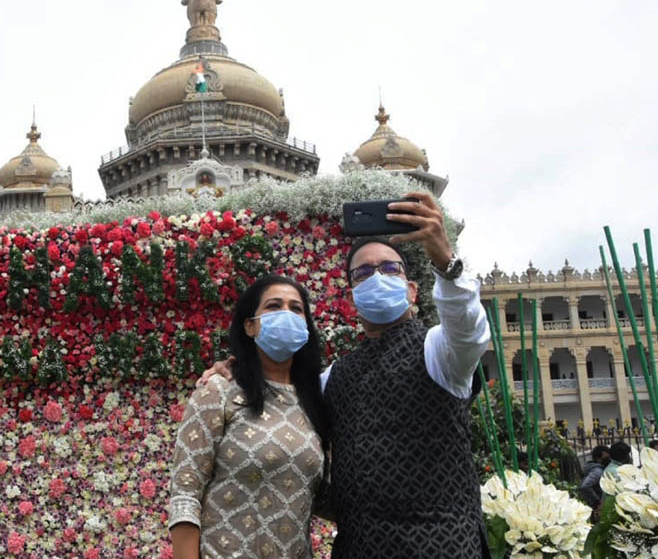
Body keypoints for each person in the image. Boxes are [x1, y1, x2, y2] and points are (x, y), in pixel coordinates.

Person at [200, 192, 491, 557]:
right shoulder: (333, 378)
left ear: (412, 290)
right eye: (364, 273)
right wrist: (237, 368)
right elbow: (279, 392)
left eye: (389, 269)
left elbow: (469, 332)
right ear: (353, 294)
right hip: (359, 548)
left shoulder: (440, 352)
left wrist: (446, 263)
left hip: (443, 546)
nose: (377, 277)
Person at [168, 275, 331, 558]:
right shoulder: (219, 391)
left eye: (296, 308)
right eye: (273, 306)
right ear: (250, 325)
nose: (286, 314)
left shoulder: (316, 401)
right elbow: (185, 492)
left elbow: (321, 499)